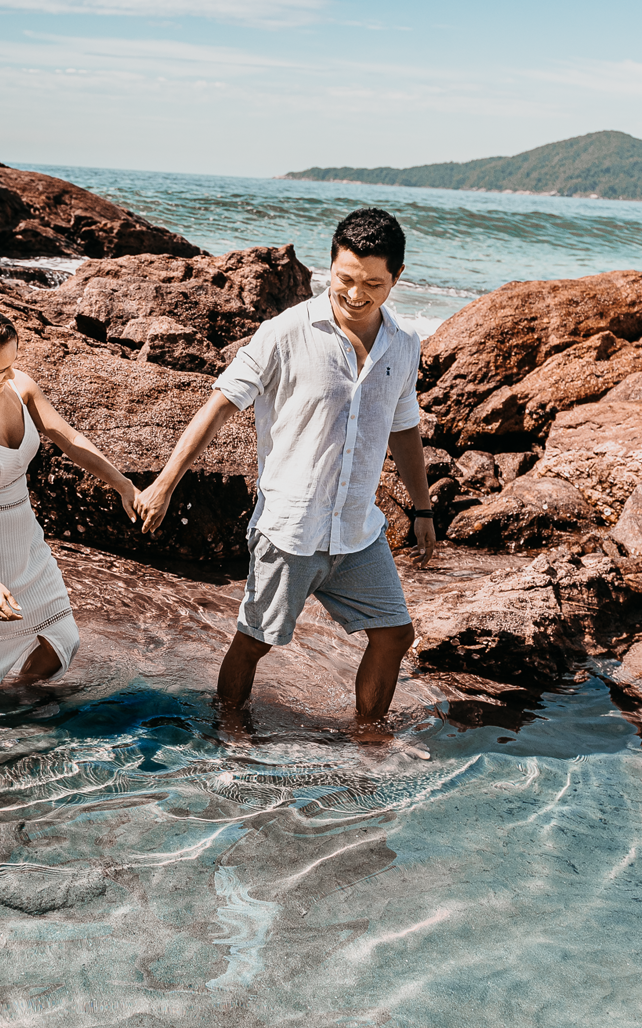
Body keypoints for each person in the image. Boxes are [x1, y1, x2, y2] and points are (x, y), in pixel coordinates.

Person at [135, 208, 436, 726]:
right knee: (255, 642)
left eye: (373, 283)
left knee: (393, 634)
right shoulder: (286, 331)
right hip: (290, 528)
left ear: (396, 278)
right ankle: (228, 728)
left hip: (358, 531)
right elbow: (221, 404)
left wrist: (423, 507)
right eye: (345, 279)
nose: (357, 294)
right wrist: (164, 483)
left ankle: (368, 738)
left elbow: (403, 425)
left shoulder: (404, 343)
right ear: (330, 268)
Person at [0, 303, 140, 694]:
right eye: (0, 369)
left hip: (25, 538)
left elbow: (70, 440)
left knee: (62, 641)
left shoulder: (20, 386)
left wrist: (123, 485)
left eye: (12, 362)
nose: (10, 374)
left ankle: (16, 705)